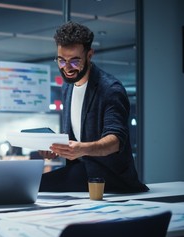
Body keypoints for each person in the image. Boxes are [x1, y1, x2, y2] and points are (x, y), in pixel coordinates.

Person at [39, 21, 148, 193]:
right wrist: (57, 149)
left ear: (90, 55)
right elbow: (75, 137)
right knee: (34, 184)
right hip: (82, 172)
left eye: (74, 61)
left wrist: (82, 149)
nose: (67, 68)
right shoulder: (67, 86)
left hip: (110, 178)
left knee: (37, 185)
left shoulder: (110, 89)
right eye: (61, 60)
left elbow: (115, 141)